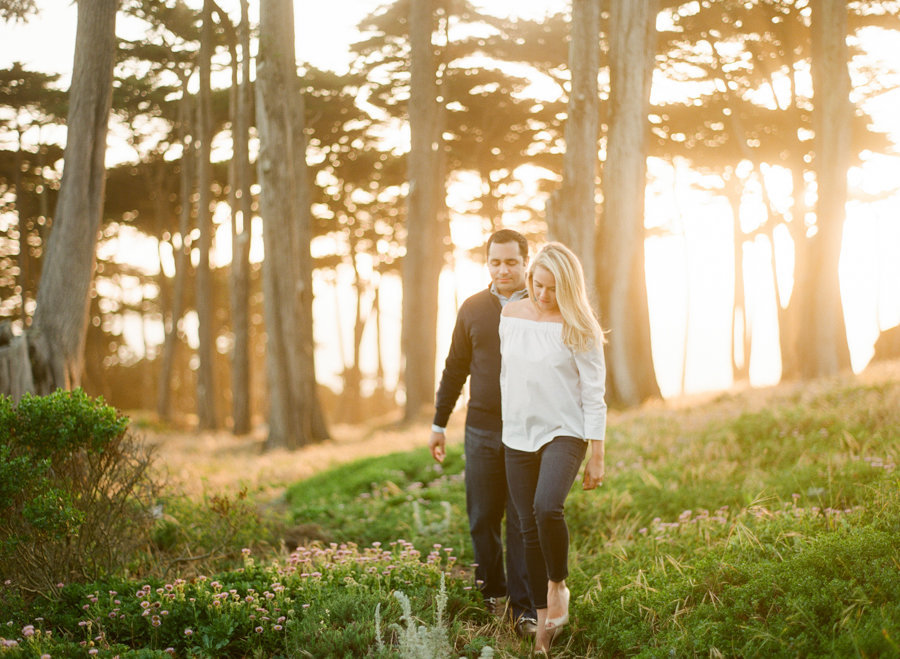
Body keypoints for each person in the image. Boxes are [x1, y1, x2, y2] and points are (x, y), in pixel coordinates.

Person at [499, 242, 607, 654]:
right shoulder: (511, 315)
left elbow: (594, 396)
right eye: (538, 285)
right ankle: (543, 631)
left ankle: (557, 583)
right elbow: (510, 376)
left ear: (569, 287)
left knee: (547, 507)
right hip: (518, 434)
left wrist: (597, 455)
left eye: (553, 289)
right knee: (526, 527)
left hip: (565, 431)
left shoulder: (580, 327)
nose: (543, 296)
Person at [429, 229, 537, 636]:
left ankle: (526, 609)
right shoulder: (473, 308)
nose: (503, 269)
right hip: (481, 429)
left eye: (511, 261)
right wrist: (439, 423)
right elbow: (455, 368)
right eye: (496, 262)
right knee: (482, 517)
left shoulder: (541, 303)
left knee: (523, 521)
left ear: (526, 261)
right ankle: (493, 595)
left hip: (528, 433)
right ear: (487, 264)